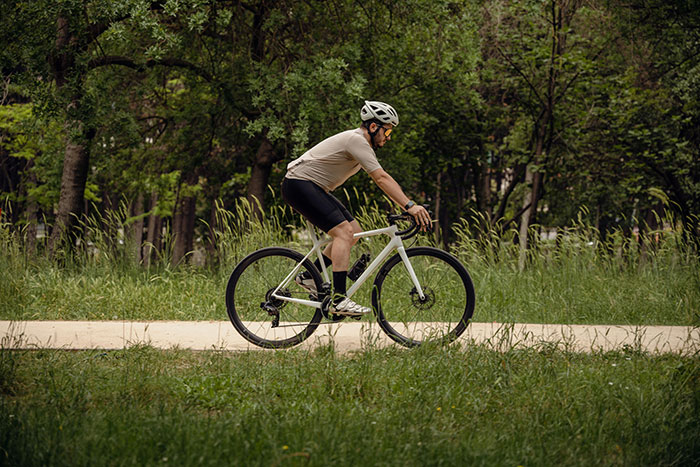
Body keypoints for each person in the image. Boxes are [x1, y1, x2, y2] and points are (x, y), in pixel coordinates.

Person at [281, 100, 431, 316]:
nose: (388, 138)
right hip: (299, 183)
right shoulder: (356, 140)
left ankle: (308, 277)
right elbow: (381, 178)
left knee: (354, 231)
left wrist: (405, 205)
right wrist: (409, 206)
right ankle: (339, 300)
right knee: (344, 232)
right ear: (373, 127)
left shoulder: (361, 145)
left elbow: (381, 180)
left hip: (310, 186)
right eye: (387, 132)